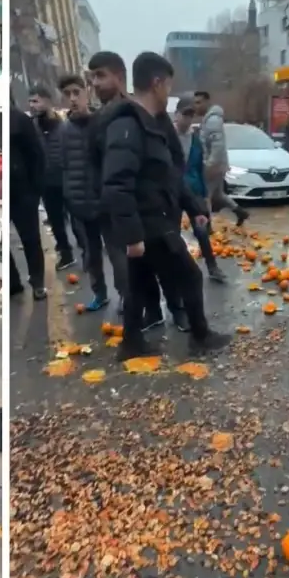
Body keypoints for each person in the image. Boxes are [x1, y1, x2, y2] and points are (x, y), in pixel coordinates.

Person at [101, 52, 232, 360]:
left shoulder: (154, 123)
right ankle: (200, 336)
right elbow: (116, 184)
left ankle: (131, 343)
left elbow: (170, 175)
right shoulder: (128, 125)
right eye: (168, 85)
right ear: (157, 83)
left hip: (153, 220)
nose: (168, 93)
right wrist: (132, 236)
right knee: (190, 276)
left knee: (137, 284)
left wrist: (194, 208)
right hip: (149, 224)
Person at [57, 73, 123, 312]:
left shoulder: (102, 123)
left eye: (77, 92)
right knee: (91, 255)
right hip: (80, 204)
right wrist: (69, 198)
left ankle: (124, 294)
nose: (73, 98)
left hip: (105, 201)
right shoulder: (63, 130)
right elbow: (64, 166)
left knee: (116, 253)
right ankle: (99, 293)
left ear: (87, 92)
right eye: (67, 94)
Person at [172, 96, 226, 283]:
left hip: (193, 190)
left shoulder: (195, 139)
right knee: (172, 231)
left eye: (191, 115)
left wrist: (205, 196)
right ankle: (174, 268)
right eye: (185, 114)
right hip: (173, 191)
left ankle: (212, 267)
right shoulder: (167, 136)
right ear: (176, 114)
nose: (187, 119)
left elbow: (198, 168)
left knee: (201, 230)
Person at [28, 85, 79, 271]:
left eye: (35, 101)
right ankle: (66, 253)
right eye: (30, 101)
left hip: (66, 178)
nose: (32, 105)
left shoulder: (63, 124)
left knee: (77, 219)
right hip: (47, 183)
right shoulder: (32, 127)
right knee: (56, 222)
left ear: (47, 101)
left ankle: (87, 250)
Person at [8, 101, 48, 299]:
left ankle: (37, 281)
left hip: (23, 191)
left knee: (31, 238)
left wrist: (35, 190)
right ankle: (12, 281)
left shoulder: (19, 119)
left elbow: (36, 154)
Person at [193, 91, 249, 227]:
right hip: (217, 165)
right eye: (195, 103)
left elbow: (217, 146)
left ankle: (206, 227)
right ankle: (240, 212)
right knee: (218, 195)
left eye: (199, 102)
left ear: (207, 102)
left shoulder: (212, 121)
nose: (196, 106)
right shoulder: (209, 119)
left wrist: (208, 166)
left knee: (205, 196)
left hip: (213, 166)